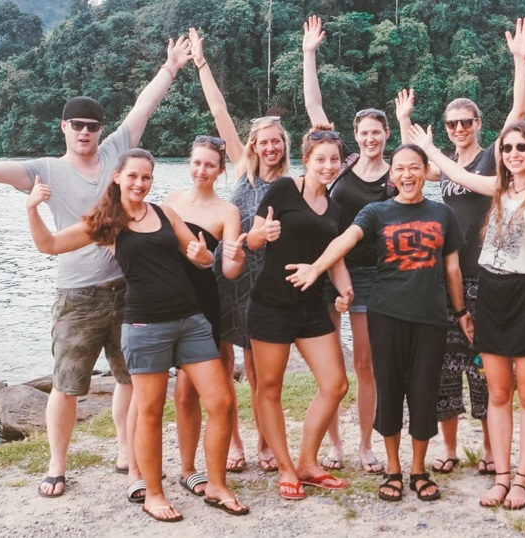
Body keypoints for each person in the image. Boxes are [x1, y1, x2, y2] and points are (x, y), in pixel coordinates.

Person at [0, 37, 193, 498]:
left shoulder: (116, 153)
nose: (86, 132)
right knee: (67, 386)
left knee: (128, 379)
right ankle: (56, 465)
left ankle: (126, 453)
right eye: (78, 125)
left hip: (128, 289)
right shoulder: (45, 170)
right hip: (78, 295)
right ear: (64, 128)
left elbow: (144, 105)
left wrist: (171, 67)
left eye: (92, 125)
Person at [26, 148, 249, 522]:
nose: (139, 183)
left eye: (146, 177)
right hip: (145, 326)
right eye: (132, 176)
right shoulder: (107, 222)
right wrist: (32, 209)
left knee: (222, 401)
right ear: (117, 177)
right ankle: (154, 493)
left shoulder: (164, 213)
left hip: (191, 319)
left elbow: (200, 258)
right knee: (148, 412)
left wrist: (202, 255)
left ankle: (216, 484)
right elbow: (48, 246)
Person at [285, 144, 471, 503]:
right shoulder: (376, 212)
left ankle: (418, 469)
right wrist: (317, 267)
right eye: (399, 168)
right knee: (389, 391)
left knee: (423, 392)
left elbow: (452, 269)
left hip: (431, 317)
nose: (406, 175)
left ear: (424, 171)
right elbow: (345, 240)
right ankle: (393, 469)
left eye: (414, 168)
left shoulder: (443, 214)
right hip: (385, 315)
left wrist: (462, 313)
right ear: (392, 174)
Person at [394, 17, 525, 477]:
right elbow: (411, 168)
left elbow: (519, 111)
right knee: (444, 366)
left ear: (478, 124)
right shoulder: (444, 164)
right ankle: (450, 448)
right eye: (452, 123)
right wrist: (402, 122)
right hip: (446, 278)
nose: (458, 128)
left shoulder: (491, 158)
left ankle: (494, 453)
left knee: (482, 369)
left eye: (465, 122)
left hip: (485, 277)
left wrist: (520, 60)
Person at [411, 120, 525, 510]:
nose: (512, 155)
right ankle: (502, 477)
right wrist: (429, 147)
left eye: (521, 148)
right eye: (506, 149)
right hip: (492, 293)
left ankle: (523, 480)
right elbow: (458, 174)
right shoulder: (496, 188)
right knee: (497, 392)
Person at [190, 27, 290, 472]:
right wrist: (201, 64)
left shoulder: (293, 184)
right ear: (254, 146)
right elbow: (220, 112)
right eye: (263, 140)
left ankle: (267, 442)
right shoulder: (241, 171)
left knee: (259, 372)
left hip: (265, 285)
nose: (269, 146)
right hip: (226, 276)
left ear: (284, 146)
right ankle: (234, 444)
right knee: (223, 364)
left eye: (276, 141)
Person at [302, 15, 390, 474]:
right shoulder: (340, 164)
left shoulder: (400, 174)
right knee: (330, 361)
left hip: (374, 277)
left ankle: (365, 445)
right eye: (363, 132)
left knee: (365, 364)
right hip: (331, 270)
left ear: (386, 136)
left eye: (377, 131)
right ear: (354, 136)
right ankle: (334, 445)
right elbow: (315, 104)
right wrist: (309, 53)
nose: (370, 137)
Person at [246, 124, 352, 501]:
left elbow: (333, 256)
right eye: (320, 159)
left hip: (310, 307)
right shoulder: (283, 189)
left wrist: (345, 289)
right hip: (270, 304)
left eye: (334, 159)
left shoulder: (336, 208)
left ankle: (307, 462)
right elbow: (252, 240)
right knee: (269, 388)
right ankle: (286, 467)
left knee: (336, 384)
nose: (327, 166)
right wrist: (266, 234)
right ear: (306, 161)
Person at [163, 136, 248, 494]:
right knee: (164, 394)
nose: (202, 170)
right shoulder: (170, 202)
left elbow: (229, 268)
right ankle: (179, 467)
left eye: (210, 165)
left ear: (221, 169)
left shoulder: (227, 212)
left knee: (188, 392)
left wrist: (239, 257)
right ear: (190, 162)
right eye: (197, 163)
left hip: (202, 306)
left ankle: (191, 468)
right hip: (164, 304)